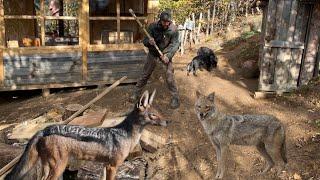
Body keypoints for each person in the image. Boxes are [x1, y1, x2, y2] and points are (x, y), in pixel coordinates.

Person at [130, 11, 180, 109]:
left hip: (165, 55)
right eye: (164, 22)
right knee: (145, 75)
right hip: (153, 54)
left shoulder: (173, 30)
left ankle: (175, 98)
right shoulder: (152, 27)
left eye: (168, 22)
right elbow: (144, 41)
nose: (166, 24)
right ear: (160, 20)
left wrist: (168, 56)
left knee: (169, 77)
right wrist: (149, 41)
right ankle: (136, 93)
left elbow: (175, 44)